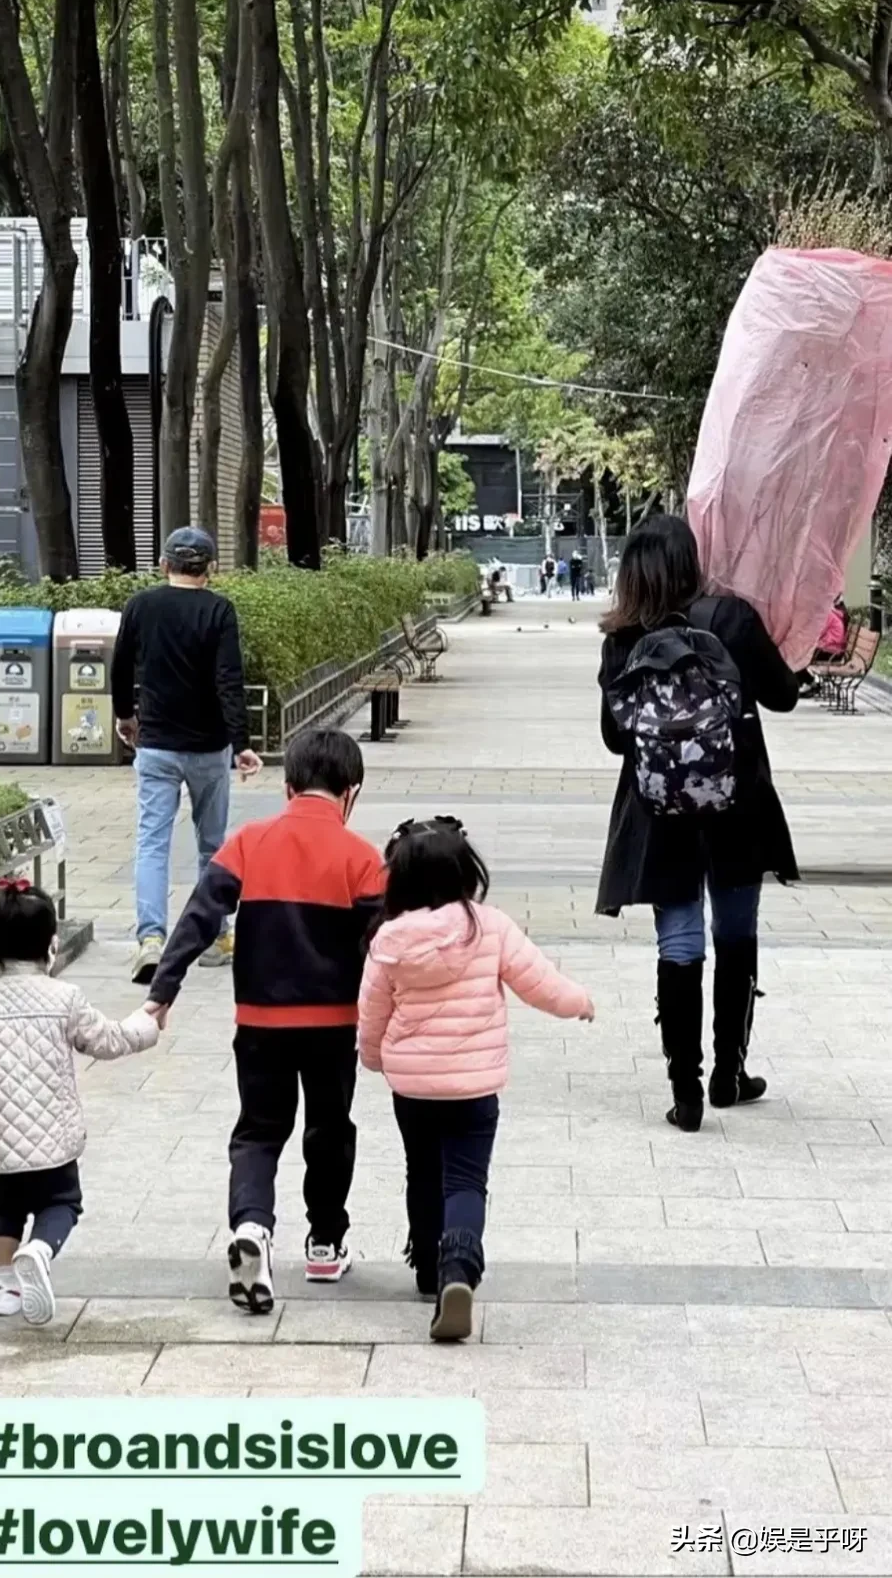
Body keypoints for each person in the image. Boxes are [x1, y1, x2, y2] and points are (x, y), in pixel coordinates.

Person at [146, 729, 385, 1313]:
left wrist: (163, 989)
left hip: (259, 1021)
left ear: (287, 785)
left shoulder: (249, 842)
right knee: (330, 1129)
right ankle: (325, 1243)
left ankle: (252, 1227)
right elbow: (386, 944)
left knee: (257, 1131)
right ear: (350, 794)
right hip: (333, 1025)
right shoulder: (363, 858)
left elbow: (201, 915)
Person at [596, 515, 798, 1132]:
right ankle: (729, 1075)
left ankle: (684, 1092)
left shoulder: (622, 638)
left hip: (660, 814)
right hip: (737, 804)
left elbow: (613, 739)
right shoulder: (731, 618)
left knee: (680, 943)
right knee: (736, 935)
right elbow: (784, 695)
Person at [358, 818, 594, 1343]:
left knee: (421, 1173)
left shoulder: (387, 939)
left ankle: (425, 1270)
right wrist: (579, 1002)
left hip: (413, 1086)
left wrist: (373, 1057)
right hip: (473, 1087)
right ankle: (457, 1271)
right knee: (465, 1180)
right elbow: (540, 982)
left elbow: (371, 1009)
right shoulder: (488, 926)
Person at [0, 880, 159, 1325]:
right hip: (52, 1137)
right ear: (50, 945)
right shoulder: (65, 998)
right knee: (62, 1203)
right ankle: (39, 1251)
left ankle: (4, 1285)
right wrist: (147, 1024)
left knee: (5, 1206)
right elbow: (108, 1040)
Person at [112, 527, 263, 986]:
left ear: (164, 565)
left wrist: (125, 716)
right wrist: (241, 744)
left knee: (152, 842)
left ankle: (151, 939)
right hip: (208, 748)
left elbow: (120, 665)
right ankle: (215, 937)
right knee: (212, 846)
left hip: (155, 744)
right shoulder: (219, 610)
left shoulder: (141, 606)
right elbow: (228, 680)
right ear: (210, 569)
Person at [798, 596, 850, 697]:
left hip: (830, 652)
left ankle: (809, 683)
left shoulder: (828, 615)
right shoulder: (831, 613)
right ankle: (807, 683)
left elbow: (816, 632)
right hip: (831, 650)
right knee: (797, 656)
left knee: (796, 658)